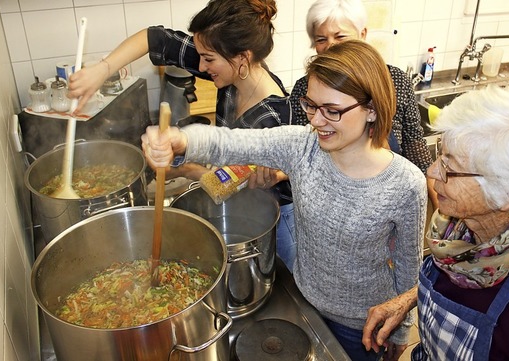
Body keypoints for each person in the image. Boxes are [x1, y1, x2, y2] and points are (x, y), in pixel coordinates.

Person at [142, 40, 427, 361]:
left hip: (364, 326)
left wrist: (401, 329)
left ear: (371, 109)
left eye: (332, 111)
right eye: (311, 106)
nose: (317, 121)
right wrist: (181, 140)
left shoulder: (406, 184)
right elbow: (231, 143)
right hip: (304, 304)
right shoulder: (303, 145)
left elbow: (409, 267)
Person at [362, 85, 509, 360]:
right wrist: (406, 300)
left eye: (450, 167)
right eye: (439, 157)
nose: (432, 172)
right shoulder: (459, 227)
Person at [67, 0, 294, 225]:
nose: (202, 67)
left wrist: (183, 169)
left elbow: (229, 184)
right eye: (201, 56)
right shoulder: (233, 73)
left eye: (208, 59)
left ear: (242, 57)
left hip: (272, 222)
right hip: (236, 199)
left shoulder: (274, 118)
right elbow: (155, 39)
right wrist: (102, 70)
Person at [274, 0, 437, 271]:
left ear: (363, 35)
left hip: (389, 204)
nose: (331, 46)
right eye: (321, 39)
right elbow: (307, 155)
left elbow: (413, 141)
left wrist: (436, 203)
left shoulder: (393, 79)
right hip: (336, 212)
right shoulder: (306, 88)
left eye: (340, 36)